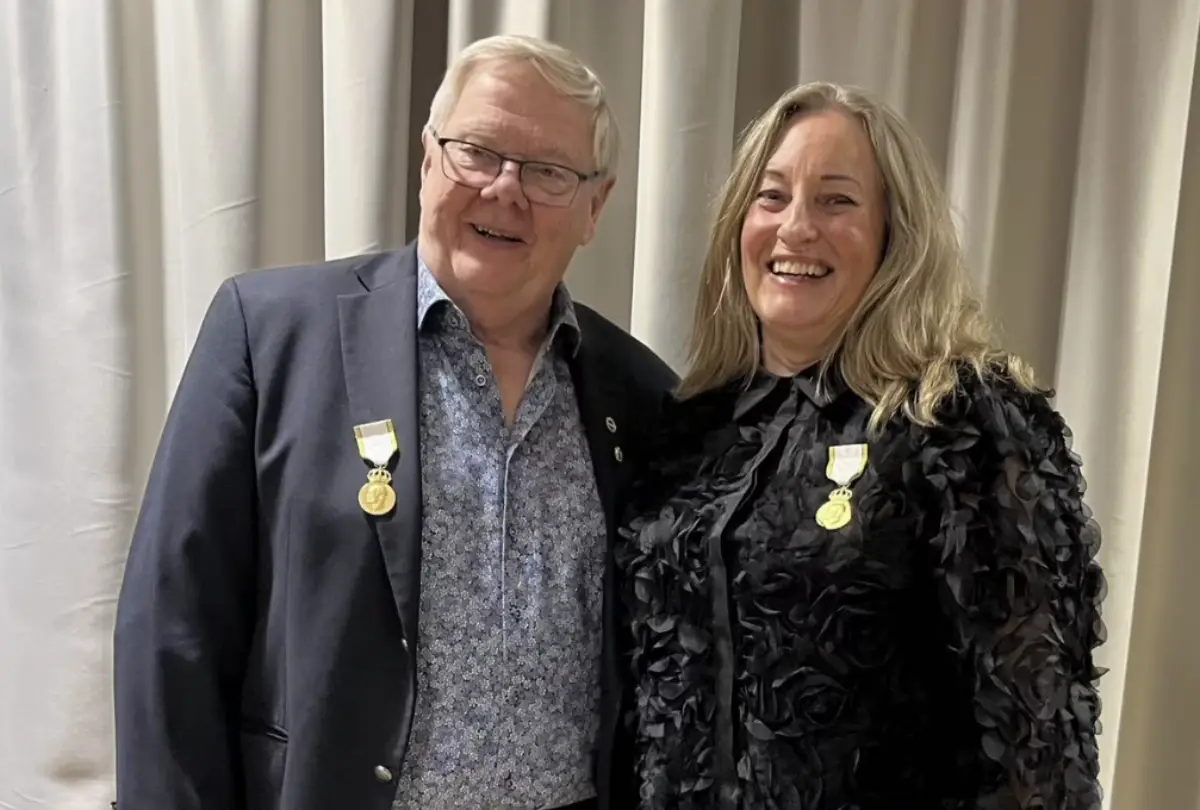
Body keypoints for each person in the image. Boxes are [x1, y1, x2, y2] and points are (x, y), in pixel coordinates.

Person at [113, 34, 675, 810]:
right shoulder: (271, 335)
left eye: (548, 172)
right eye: (477, 151)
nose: (505, 190)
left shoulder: (640, 394)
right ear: (427, 161)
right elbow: (171, 631)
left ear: (595, 207)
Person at [616, 81, 1106, 809]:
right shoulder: (691, 430)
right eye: (772, 196)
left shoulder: (962, 422)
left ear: (894, 234)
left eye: (837, 200)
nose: (796, 229)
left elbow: (1038, 743)